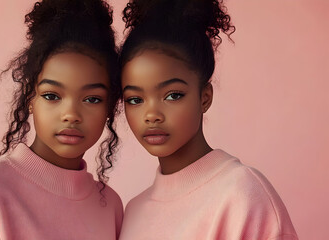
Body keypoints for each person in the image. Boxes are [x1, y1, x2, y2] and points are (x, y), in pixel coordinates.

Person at [0, 0, 123, 239]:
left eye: (92, 99)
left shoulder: (109, 206)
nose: (71, 114)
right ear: (30, 97)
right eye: (51, 96)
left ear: (110, 106)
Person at [118, 0, 298, 239]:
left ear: (205, 97)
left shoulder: (242, 193)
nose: (151, 115)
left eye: (173, 95)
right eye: (134, 99)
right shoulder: (133, 211)